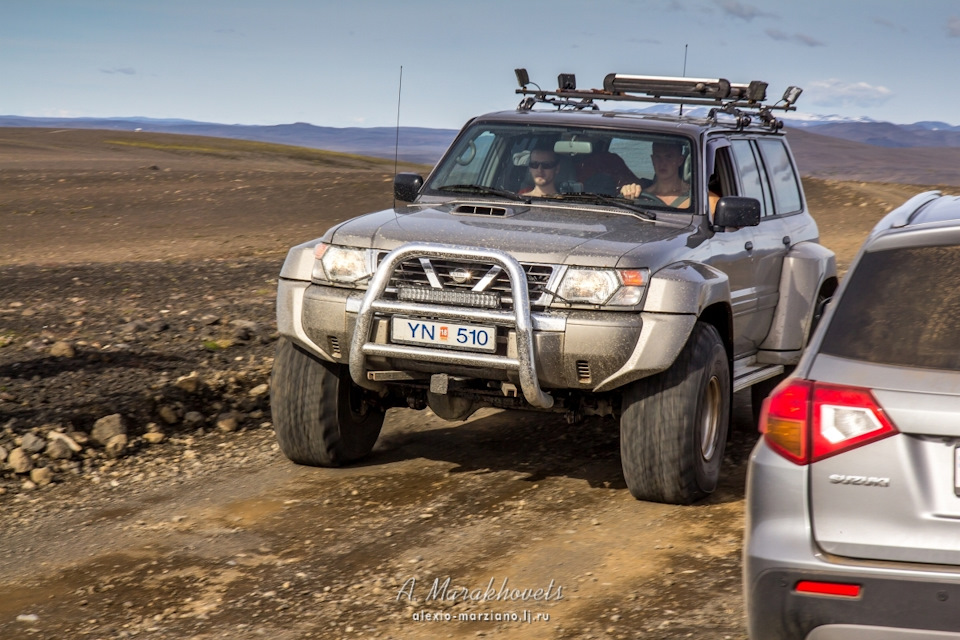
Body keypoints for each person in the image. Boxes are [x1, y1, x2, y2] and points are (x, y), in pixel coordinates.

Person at [620, 141, 692, 207]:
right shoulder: (639, 194)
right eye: (658, 157)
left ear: (680, 160)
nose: (662, 163)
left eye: (668, 157)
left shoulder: (692, 197)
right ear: (653, 159)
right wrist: (628, 193)